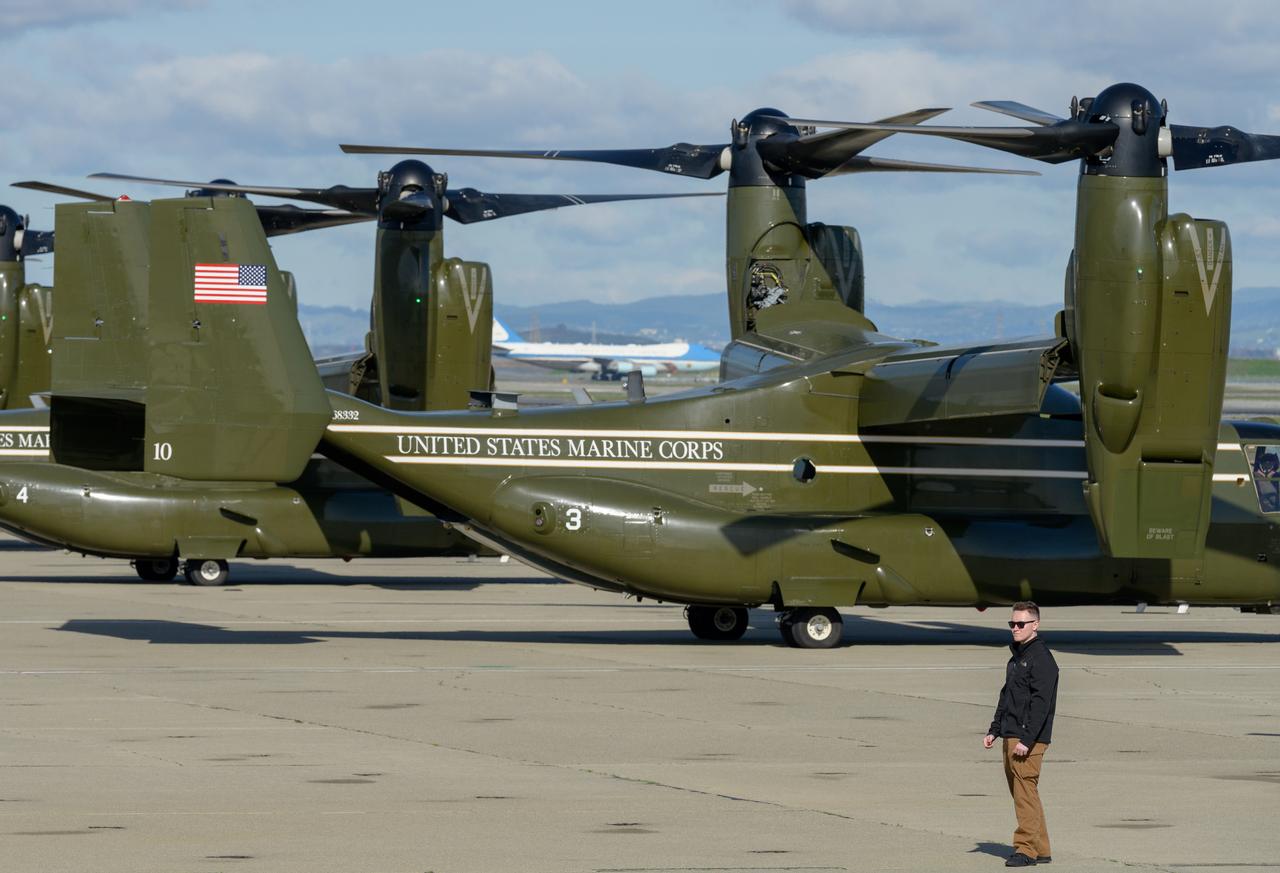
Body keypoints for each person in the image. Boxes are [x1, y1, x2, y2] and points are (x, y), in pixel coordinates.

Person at [983, 601, 1059, 867]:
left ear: (1035, 625)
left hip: (1029, 738)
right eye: (1012, 624)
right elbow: (1007, 696)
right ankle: (1041, 848)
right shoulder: (1018, 657)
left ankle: (1025, 850)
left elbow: (1042, 704)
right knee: (1025, 794)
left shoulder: (1042, 659)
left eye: (1020, 624)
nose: (1015, 628)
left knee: (1025, 794)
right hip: (1011, 734)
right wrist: (995, 729)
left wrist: (1027, 740)